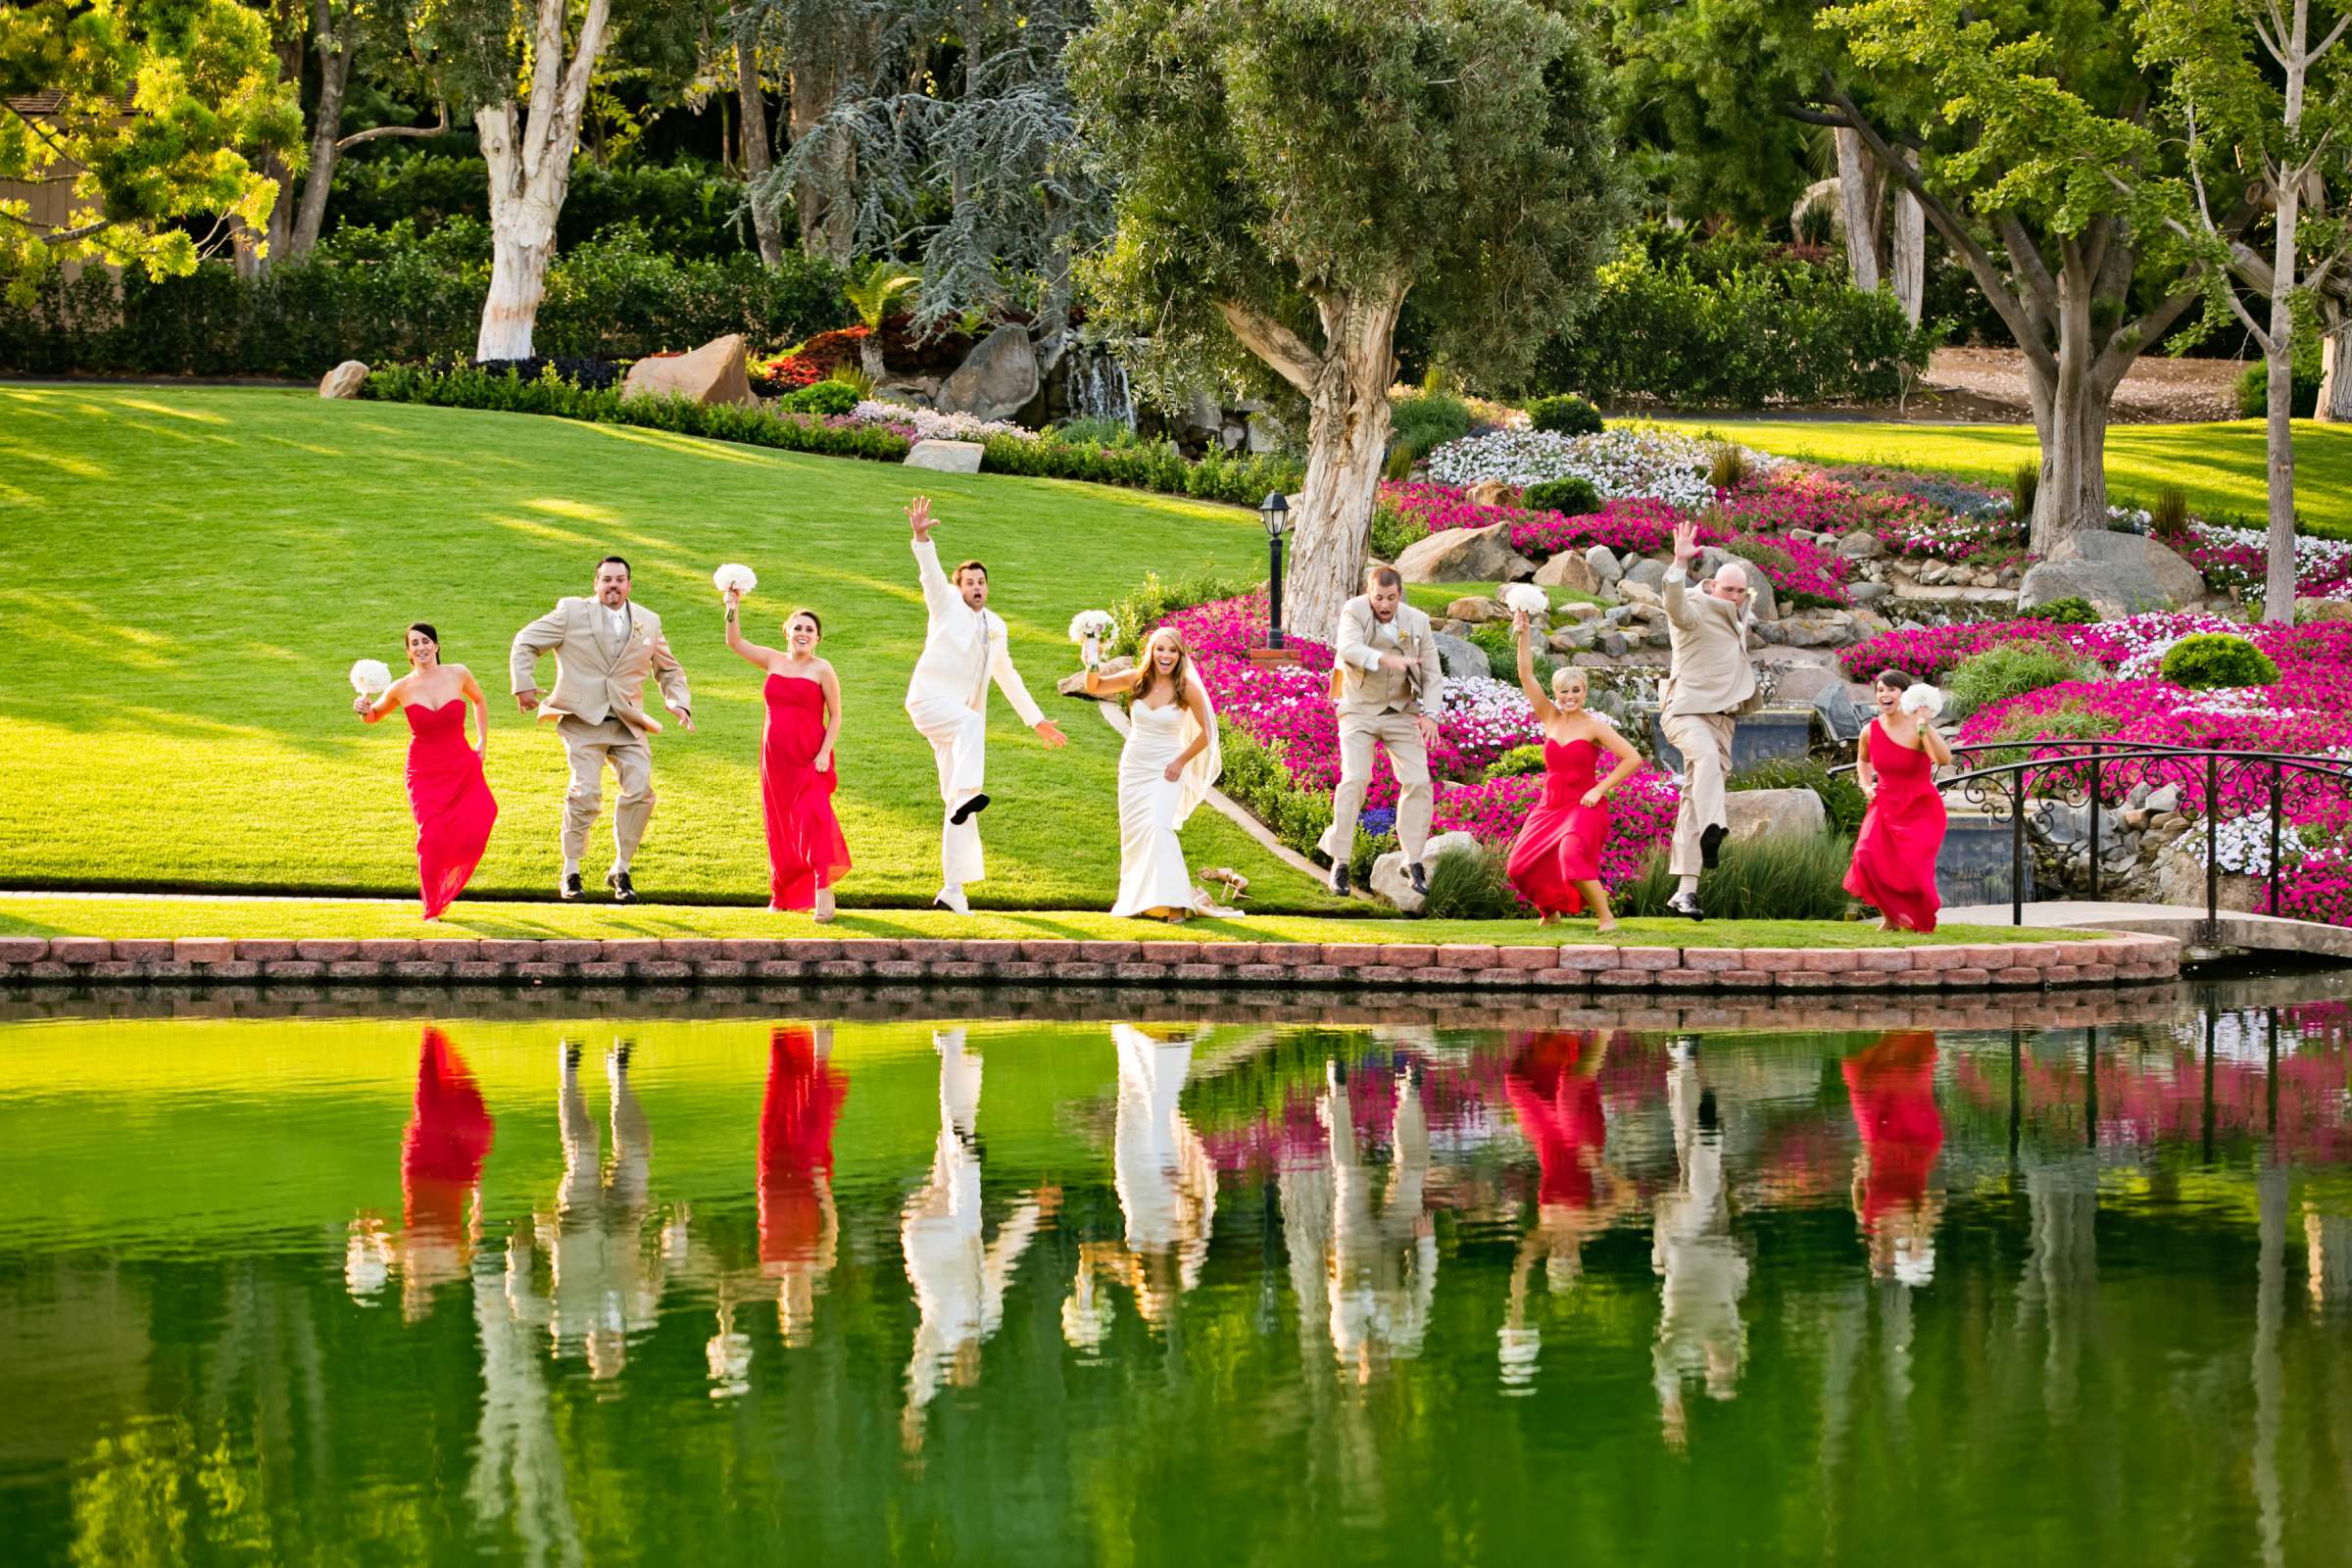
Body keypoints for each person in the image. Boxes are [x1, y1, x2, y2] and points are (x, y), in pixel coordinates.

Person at [902, 497, 1067, 916]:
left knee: (955, 801)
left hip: (956, 726)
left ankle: (953, 890)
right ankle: (968, 794)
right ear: (960, 588)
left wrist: (1037, 721)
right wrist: (922, 537)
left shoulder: (997, 626)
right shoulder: (946, 606)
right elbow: (931, 576)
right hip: (930, 702)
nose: (976, 586)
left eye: (981, 582)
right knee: (971, 729)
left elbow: (1007, 675)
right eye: (969, 581)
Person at [510, 555, 692, 905]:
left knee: (640, 790)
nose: (613, 585)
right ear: (596, 584)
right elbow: (526, 641)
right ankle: (571, 871)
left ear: (629, 585)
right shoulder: (571, 612)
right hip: (582, 721)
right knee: (585, 793)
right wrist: (524, 684)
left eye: (620, 579)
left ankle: (621, 869)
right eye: (606, 579)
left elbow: (669, 669)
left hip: (627, 722)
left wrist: (678, 701)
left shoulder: (648, 622)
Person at [1501, 612, 1643, 931]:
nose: (1569, 697)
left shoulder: (1594, 725)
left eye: (1575, 691)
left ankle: (1607, 919)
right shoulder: (1550, 716)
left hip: (1584, 805)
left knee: (1570, 857)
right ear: (1556, 692)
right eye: (1564, 691)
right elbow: (1526, 676)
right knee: (1518, 866)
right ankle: (1550, 911)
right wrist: (1524, 633)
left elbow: (1632, 758)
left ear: (1585, 691)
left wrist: (1600, 789)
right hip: (1550, 804)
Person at [354, 622, 499, 920]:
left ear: (436, 645)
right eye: (414, 643)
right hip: (423, 770)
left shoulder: (458, 673)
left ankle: (450, 872)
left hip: (460, 762)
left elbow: (479, 700)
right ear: (408, 652)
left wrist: (482, 739)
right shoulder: (401, 688)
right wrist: (362, 708)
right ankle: (432, 906)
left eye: (425, 641)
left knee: (483, 813)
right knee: (430, 833)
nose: (421, 647)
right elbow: (373, 717)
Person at [723, 592, 852, 919]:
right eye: (798, 627)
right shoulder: (772, 660)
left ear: (818, 638)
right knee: (780, 824)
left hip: (811, 756)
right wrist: (732, 608)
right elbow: (734, 643)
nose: (803, 633)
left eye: (809, 629)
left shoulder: (823, 669)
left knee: (815, 817)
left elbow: (836, 715)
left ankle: (823, 890)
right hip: (775, 759)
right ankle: (781, 894)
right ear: (787, 632)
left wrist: (825, 753)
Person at [1084, 627, 1225, 920]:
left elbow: (1208, 733)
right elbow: (1095, 686)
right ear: (1151, 651)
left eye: (1172, 650)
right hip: (1134, 766)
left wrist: (1180, 761)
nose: (1165, 655)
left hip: (1167, 768)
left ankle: (1176, 904)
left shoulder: (1186, 688)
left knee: (1159, 827)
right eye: (1160, 649)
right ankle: (1141, 900)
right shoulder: (1137, 679)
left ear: (1179, 655)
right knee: (1136, 834)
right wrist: (1092, 660)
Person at [1320, 565, 1444, 898]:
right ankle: (1340, 861)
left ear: (1399, 595)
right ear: (1369, 593)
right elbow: (1348, 648)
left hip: (1402, 711)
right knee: (1355, 779)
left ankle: (1412, 860)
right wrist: (1385, 660)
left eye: (1391, 598)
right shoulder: (1354, 610)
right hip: (1358, 708)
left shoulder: (1417, 621)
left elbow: (1432, 674)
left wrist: (1431, 715)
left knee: (1418, 781)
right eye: (1379, 598)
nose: (1384, 604)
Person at [1659, 518, 1760, 921]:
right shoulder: (1696, 608)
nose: (1734, 596)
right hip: (1685, 712)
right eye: (1728, 589)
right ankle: (1714, 830)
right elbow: (1674, 604)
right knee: (1703, 763)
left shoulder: (1739, 614)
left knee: (1691, 801)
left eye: (1740, 591)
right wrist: (1679, 564)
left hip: (1722, 719)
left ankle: (1685, 892)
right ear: (1713, 586)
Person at [1845, 667, 1953, 932]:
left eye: (1891, 689)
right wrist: (1865, 784)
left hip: (1920, 808)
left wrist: (1925, 726)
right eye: (1880, 690)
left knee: (1913, 869)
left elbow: (1943, 759)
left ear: (1905, 695)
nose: (1884, 694)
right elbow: (1863, 760)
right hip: (1884, 804)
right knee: (1865, 855)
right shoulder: (1869, 731)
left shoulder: (1918, 727)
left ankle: (1915, 919)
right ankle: (1891, 918)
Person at [1841, 1031, 1944, 1286]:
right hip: (1914, 1143)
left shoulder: (1869, 1225)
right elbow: (1939, 1198)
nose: (1876, 1253)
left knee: (1863, 1083)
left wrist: (1858, 1172)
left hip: (1878, 1143)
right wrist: (1917, 1240)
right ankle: (1911, 1031)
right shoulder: (1916, 1224)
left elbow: (1857, 1202)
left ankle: (1882, 1033)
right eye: (1879, 1260)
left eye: (1874, 1258)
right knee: (1901, 1074)